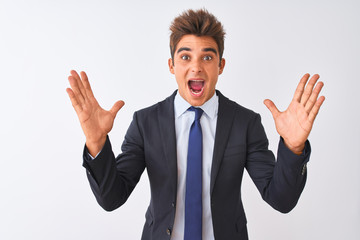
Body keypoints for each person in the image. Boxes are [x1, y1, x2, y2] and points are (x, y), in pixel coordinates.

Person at [66, 9, 325, 240]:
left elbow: (281, 199)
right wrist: (97, 143)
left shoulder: (245, 123)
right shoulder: (145, 122)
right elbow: (112, 198)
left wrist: (293, 147)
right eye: (186, 57)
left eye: (208, 58)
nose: (197, 67)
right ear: (172, 65)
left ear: (221, 65)